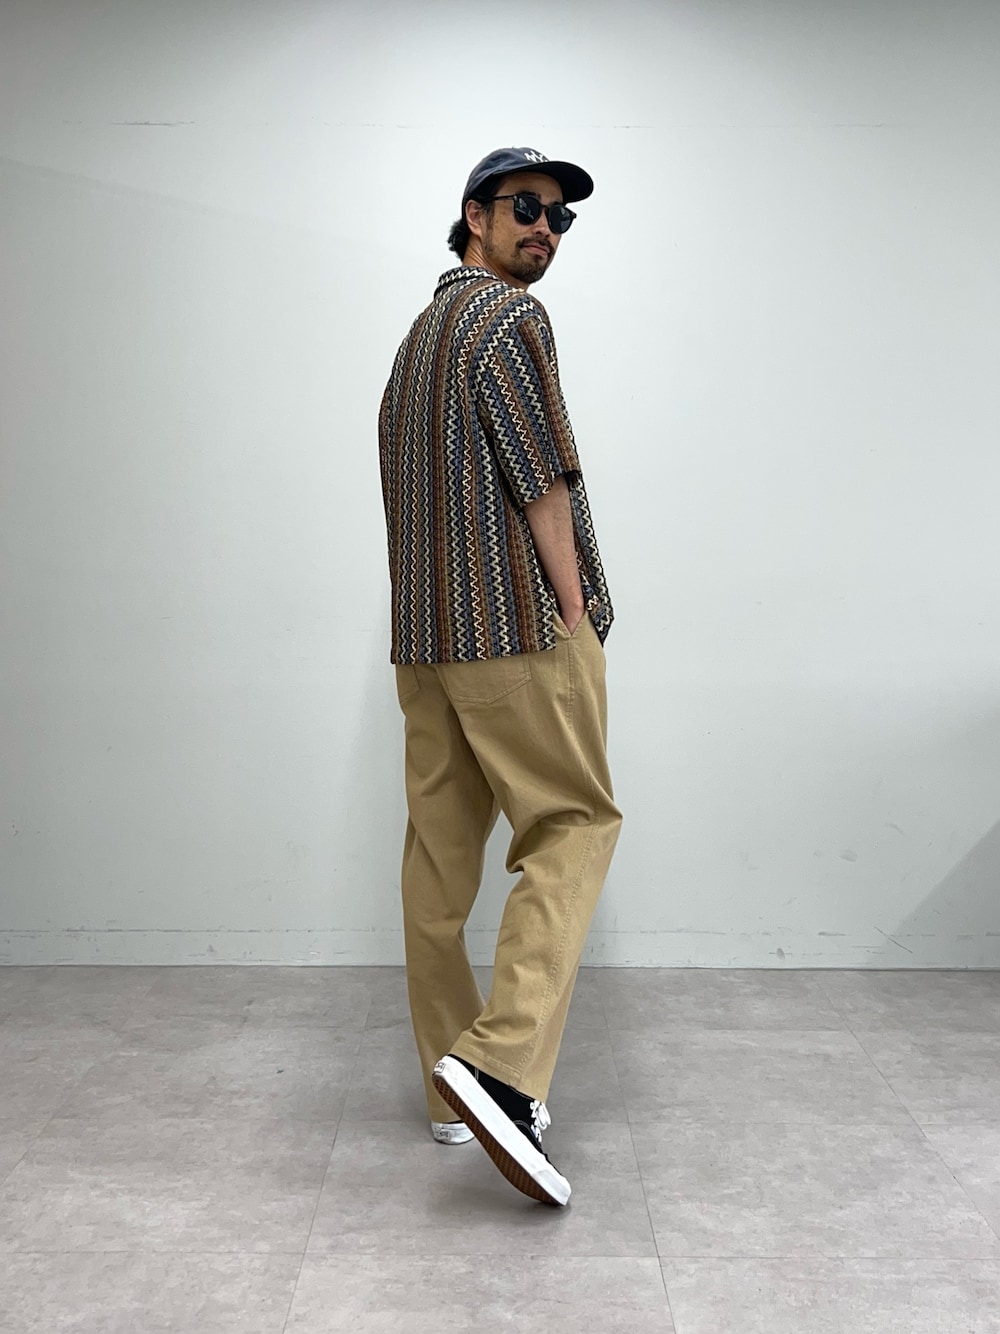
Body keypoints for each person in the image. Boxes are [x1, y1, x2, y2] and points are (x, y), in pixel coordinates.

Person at [378, 146, 621, 1207]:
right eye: (527, 208)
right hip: (513, 629)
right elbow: (542, 478)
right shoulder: (509, 318)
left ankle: (449, 1087)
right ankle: (503, 1066)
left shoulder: (416, 340)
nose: (545, 231)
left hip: (427, 645)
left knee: (439, 861)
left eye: (560, 218)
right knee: (575, 825)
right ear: (473, 215)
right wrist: (572, 612)